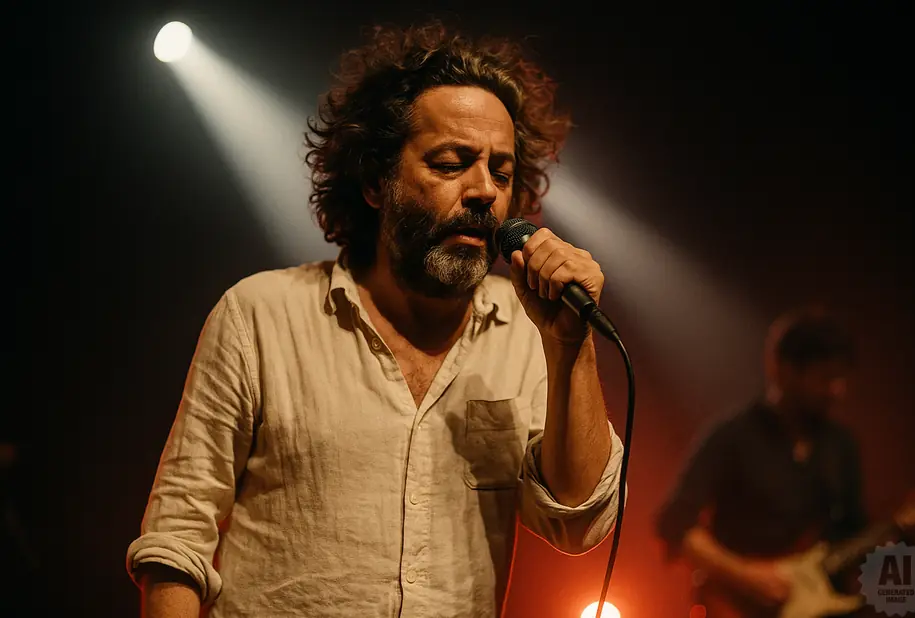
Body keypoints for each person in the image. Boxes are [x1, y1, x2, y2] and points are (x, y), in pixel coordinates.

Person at [125, 21, 624, 618]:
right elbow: (177, 536)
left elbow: (581, 518)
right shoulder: (260, 314)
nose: (484, 191)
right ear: (374, 180)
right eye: (450, 163)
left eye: (500, 170)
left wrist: (570, 345)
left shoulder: (528, 334)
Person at [655, 306, 915, 614]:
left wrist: (899, 529)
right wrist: (746, 576)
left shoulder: (841, 445)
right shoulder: (731, 436)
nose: (837, 390)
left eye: (841, 377)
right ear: (782, 369)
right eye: (825, 378)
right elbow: (675, 523)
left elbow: (852, 533)